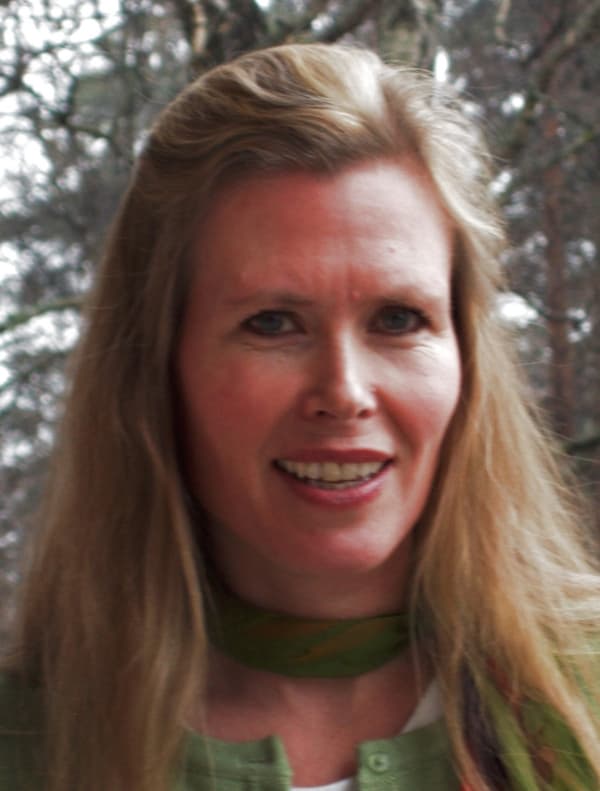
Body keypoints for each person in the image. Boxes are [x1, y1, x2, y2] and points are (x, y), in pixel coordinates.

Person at [1, 42, 599, 791]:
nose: (344, 391)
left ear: (467, 356)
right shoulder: (24, 745)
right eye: (272, 323)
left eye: (398, 319)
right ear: (157, 368)